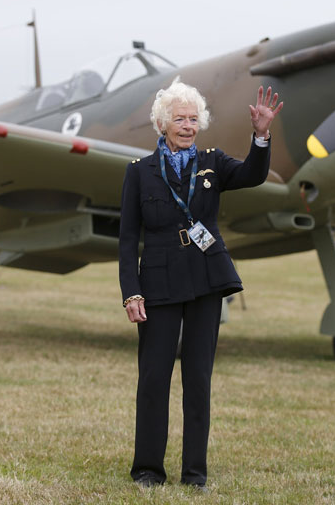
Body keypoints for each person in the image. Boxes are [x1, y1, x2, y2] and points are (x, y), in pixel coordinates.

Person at [119, 78, 283, 489]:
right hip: (156, 283)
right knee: (153, 378)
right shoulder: (139, 172)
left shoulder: (214, 163)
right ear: (162, 123)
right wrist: (131, 291)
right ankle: (147, 470)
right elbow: (126, 239)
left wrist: (260, 136)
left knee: (198, 379)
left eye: (194, 119)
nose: (188, 126)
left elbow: (253, 175)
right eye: (179, 119)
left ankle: (195, 474)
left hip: (205, 280)